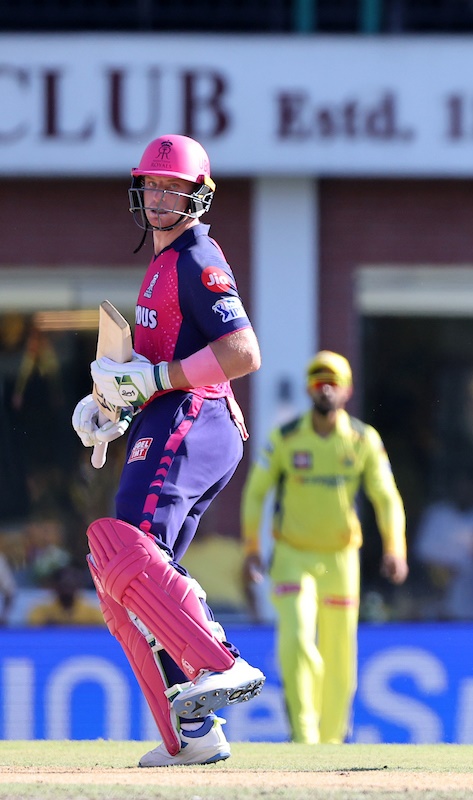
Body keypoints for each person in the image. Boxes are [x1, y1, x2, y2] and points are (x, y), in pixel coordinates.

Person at [70, 134, 266, 768]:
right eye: (153, 186)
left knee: (121, 547)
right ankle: (194, 732)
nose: (160, 198)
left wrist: (151, 384)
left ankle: (222, 662)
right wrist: (111, 406)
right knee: (128, 583)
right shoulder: (160, 265)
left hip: (197, 416)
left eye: (173, 188)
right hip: (171, 413)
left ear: (198, 194)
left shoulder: (197, 256)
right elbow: (153, 365)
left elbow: (242, 354)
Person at [240, 350, 409, 744]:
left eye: (333, 381)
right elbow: (255, 493)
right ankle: (304, 736)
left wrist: (395, 547)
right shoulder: (284, 439)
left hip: (340, 559)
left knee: (338, 652)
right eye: (318, 380)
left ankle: (331, 743)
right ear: (307, 389)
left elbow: (386, 497)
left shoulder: (363, 440)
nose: (325, 387)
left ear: (347, 390)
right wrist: (252, 547)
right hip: (292, 556)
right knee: (297, 639)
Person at [25, 564, 107, 626]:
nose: (67, 590)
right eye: (64, 585)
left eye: (70, 585)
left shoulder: (93, 614)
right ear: (55, 586)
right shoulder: (41, 612)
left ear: (78, 586)